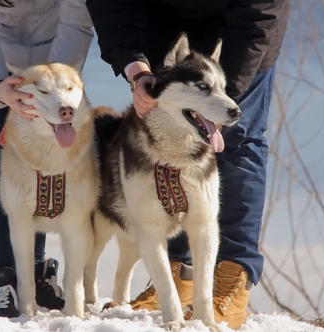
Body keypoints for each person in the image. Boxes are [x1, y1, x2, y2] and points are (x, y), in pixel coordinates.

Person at [86, 0, 290, 329]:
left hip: (242, 33)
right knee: (165, 143)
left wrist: (227, 96)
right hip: (163, 24)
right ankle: (178, 272)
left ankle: (230, 279)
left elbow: (259, 16)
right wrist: (135, 64)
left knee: (238, 140)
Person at [0, 0, 93, 319]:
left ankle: (36, 274)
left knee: (44, 148)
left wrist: (54, 87)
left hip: (53, 43)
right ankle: (0, 283)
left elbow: (77, 23)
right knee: (2, 146)